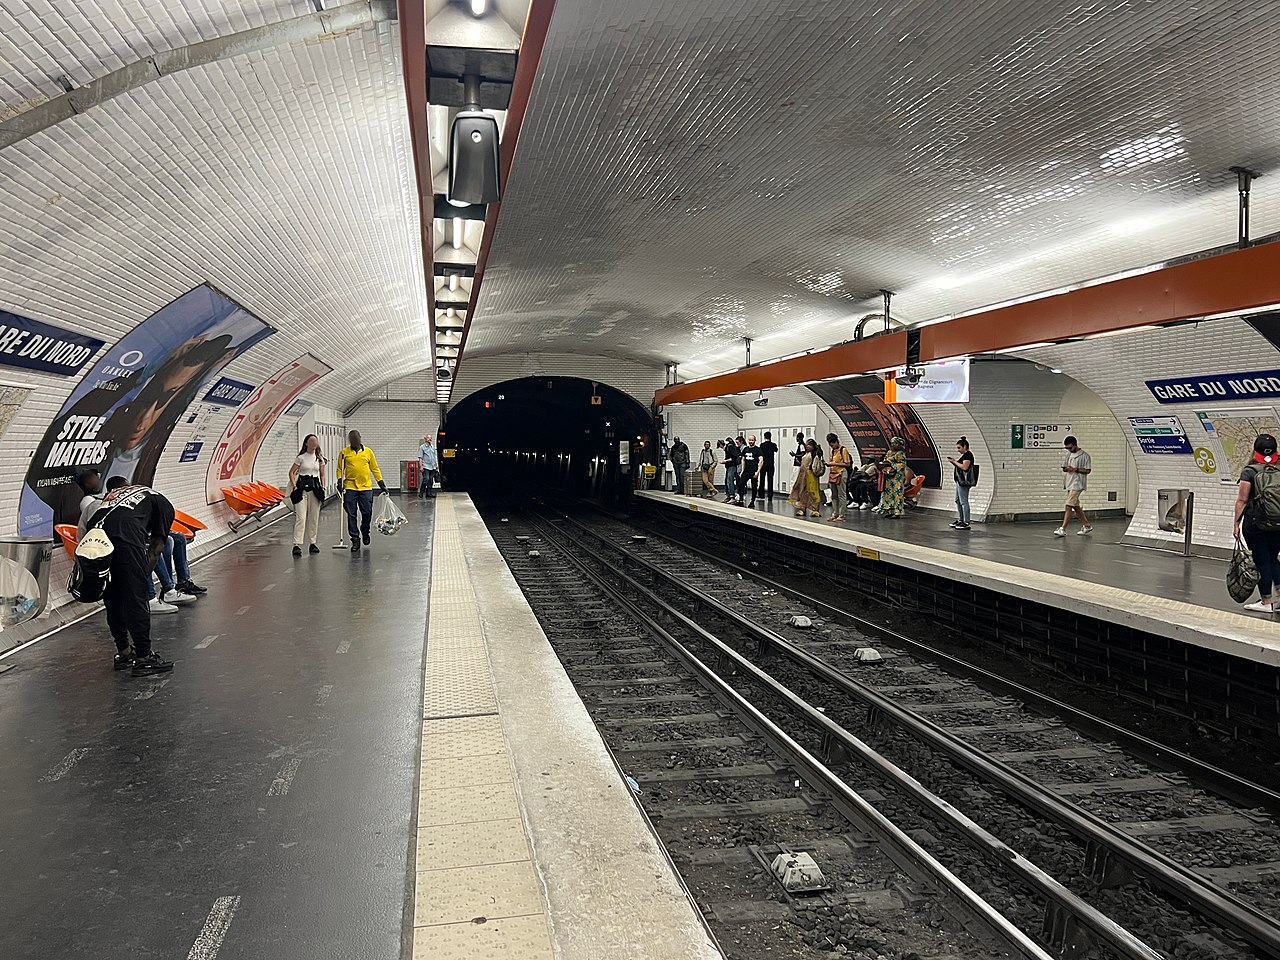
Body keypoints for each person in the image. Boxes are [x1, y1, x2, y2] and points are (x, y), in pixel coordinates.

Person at [90, 477, 177, 675]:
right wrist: (139, 578)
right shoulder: (164, 505)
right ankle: (144, 658)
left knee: (112, 597)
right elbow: (156, 548)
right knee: (135, 598)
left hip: (95, 532)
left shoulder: (120, 494)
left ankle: (124, 653)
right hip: (125, 535)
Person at [77, 469, 184, 613]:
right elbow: (93, 530)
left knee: (170, 540)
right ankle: (151, 595)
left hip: (123, 537)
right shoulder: (93, 503)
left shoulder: (112, 500)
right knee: (146, 550)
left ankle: (172, 586)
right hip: (103, 546)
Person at [1235, 434, 1280, 615]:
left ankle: (1266, 601)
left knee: (1261, 560)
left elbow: (1242, 500)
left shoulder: (1250, 471)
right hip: (1278, 523)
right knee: (1272, 558)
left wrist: (1236, 524)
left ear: (1255, 451)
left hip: (1256, 523)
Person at [337, 430, 386, 553]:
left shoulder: (368, 452)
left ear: (360, 438)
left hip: (365, 488)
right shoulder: (344, 453)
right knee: (351, 514)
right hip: (350, 488)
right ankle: (355, 539)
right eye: (351, 439)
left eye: (356, 438)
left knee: (367, 512)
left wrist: (381, 483)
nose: (354, 441)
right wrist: (339, 481)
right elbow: (340, 469)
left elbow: (374, 468)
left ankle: (365, 530)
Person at [290, 433, 327, 556]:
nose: (314, 443)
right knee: (301, 517)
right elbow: (291, 472)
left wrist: (323, 486)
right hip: (302, 489)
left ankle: (312, 542)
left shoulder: (319, 459)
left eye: (315, 441)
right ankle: (296, 544)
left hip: (315, 488)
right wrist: (294, 486)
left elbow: (322, 474)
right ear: (306, 443)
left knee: (314, 517)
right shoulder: (301, 458)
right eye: (311, 441)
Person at [1054, 436, 1093, 537]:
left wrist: (1075, 469)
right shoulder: (1069, 455)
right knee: (1075, 506)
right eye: (1067, 448)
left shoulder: (1085, 456)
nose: (1069, 450)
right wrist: (1067, 469)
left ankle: (1063, 528)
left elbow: (1088, 470)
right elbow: (1064, 467)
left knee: (1068, 505)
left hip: (1078, 483)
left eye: (1070, 448)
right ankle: (1087, 525)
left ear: (1075, 445)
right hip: (1069, 483)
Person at [947, 437, 976, 530]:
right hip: (960, 481)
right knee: (958, 500)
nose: (958, 450)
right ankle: (961, 519)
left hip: (964, 481)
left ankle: (966, 521)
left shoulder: (968, 455)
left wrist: (954, 461)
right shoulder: (964, 455)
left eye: (959, 448)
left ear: (965, 447)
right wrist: (954, 462)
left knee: (963, 501)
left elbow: (964, 467)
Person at [877, 437, 909, 519]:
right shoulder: (889, 452)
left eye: (896, 443)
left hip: (897, 477)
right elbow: (885, 461)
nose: (893, 445)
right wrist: (884, 468)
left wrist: (892, 465)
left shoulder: (901, 454)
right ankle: (890, 511)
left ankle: (897, 512)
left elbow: (902, 464)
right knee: (888, 493)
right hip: (888, 477)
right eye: (892, 443)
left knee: (897, 494)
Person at [826, 433, 852, 523]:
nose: (832, 446)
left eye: (833, 444)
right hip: (833, 474)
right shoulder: (833, 451)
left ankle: (842, 515)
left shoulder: (843, 450)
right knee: (834, 495)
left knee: (841, 495)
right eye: (830, 445)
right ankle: (835, 513)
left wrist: (833, 464)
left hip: (841, 473)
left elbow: (847, 464)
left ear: (837, 442)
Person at [795, 438, 823, 518]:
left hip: (812, 474)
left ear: (813, 446)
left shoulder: (815, 454)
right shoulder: (805, 453)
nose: (807, 446)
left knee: (813, 492)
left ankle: (815, 510)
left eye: (809, 445)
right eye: (807, 445)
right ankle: (802, 508)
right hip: (803, 474)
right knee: (802, 492)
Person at [736, 435, 763, 506]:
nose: (750, 442)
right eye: (749, 440)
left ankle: (752, 501)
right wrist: (742, 471)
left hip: (754, 470)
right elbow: (743, 460)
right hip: (746, 470)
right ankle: (741, 499)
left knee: (754, 486)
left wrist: (758, 471)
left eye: (752, 440)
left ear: (755, 441)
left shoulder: (758, 450)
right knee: (741, 484)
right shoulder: (746, 449)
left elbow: (761, 460)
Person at [758, 431, 778, 505]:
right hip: (770, 464)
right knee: (770, 480)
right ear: (770, 437)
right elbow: (776, 450)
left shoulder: (762, 445)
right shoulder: (773, 445)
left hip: (763, 464)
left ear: (764, 437)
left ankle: (761, 494)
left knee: (762, 479)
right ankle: (770, 496)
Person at [721, 436, 740, 502]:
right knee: (727, 481)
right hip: (729, 466)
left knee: (730, 481)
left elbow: (734, 457)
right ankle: (728, 495)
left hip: (732, 466)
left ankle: (732, 496)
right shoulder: (729, 448)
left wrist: (726, 461)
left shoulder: (730, 447)